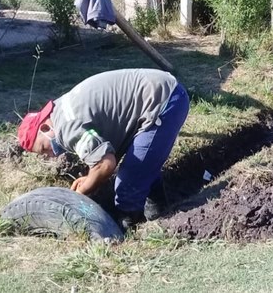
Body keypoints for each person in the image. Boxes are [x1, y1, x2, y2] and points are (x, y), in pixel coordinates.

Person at [17, 69, 189, 230]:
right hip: (159, 91)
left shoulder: (66, 129)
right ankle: (162, 216)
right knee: (143, 168)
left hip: (163, 103)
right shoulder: (59, 110)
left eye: (43, 149)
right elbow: (98, 152)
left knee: (128, 183)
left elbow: (106, 164)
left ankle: (129, 228)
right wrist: (90, 177)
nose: (49, 155)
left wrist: (83, 191)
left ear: (45, 128)